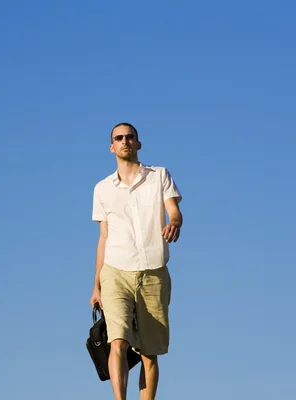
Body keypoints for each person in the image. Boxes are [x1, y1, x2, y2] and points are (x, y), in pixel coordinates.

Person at [89, 122, 183, 400]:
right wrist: (96, 285)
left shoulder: (159, 176)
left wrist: (175, 222)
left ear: (138, 144)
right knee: (117, 340)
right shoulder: (102, 188)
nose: (125, 141)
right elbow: (103, 237)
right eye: (119, 138)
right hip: (115, 271)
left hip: (153, 272)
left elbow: (174, 212)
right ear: (111, 147)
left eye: (130, 137)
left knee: (149, 354)